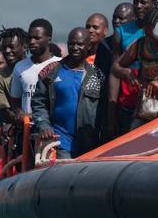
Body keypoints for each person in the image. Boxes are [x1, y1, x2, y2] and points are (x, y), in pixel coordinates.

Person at [32, 28, 105, 159]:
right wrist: (43, 125)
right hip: (60, 142)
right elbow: (39, 103)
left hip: (88, 144)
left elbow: (105, 109)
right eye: (71, 44)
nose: (75, 47)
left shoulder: (98, 76)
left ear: (88, 46)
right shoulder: (51, 72)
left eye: (80, 44)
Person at [114, 8, 158, 130]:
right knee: (135, 138)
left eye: (152, 30)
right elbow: (116, 66)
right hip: (146, 107)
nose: (148, 34)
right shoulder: (141, 44)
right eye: (146, 30)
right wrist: (126, 72)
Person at [107, 0, 158, 137]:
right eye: (136, 2)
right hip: (127, 101)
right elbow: (114, 72)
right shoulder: (121, 32)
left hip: (153, 101)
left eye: (143, 2)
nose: (138, 6)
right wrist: (111, 114)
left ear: (154, 4)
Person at [9, 19, 61, 114]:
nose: (32, 41)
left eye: (37, 38)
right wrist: (20, 114)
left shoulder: (60, 65)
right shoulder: (19, 67)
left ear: (49, 39)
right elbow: (15, 100)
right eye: (30, 38)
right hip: (28, 126)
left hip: (52, 126)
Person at [0, 27, 28, 127]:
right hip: (19, 127)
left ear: (24, 46)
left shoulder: (36, 69)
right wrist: (22, 119)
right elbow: (2, 112)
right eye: (4, 47)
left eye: (11, 47)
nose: (7, 51)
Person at [85, 13, 111, 77]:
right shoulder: (81, 55)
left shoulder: (110, 56)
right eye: (88, 27)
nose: (90, 30)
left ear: (105, 31)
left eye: (95, 27)